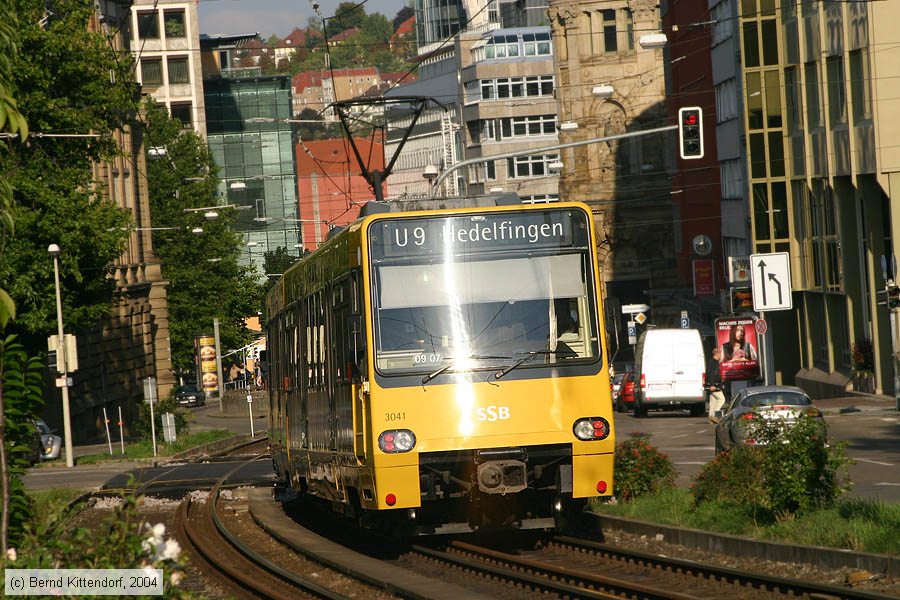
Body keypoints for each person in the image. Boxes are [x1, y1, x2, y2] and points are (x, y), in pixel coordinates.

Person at [707, 347, 726, 423]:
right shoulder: (713, 362)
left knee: (713, 401)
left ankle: (711, 419)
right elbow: (711, 374)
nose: (721, 355)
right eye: (720, 353)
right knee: (722, 399)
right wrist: (712, 385)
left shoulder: (714, 362)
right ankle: (714, 416)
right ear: (717, 353)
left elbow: (716, 374)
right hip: (714, 385)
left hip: (715, 384)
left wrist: (721, 384)